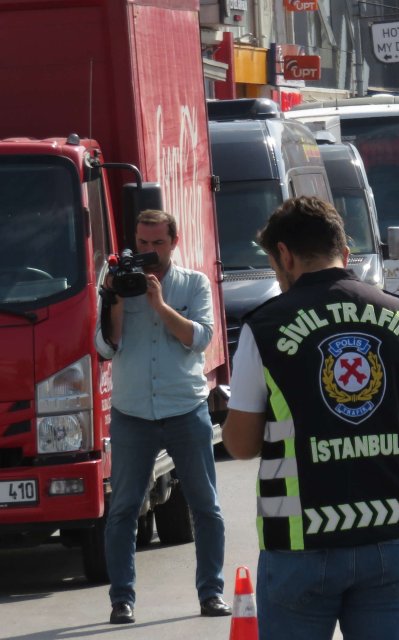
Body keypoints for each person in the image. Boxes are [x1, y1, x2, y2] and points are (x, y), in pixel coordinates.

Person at [222, 196, 399, 640]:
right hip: (392, 531)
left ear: (285, 254)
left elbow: (241, 445)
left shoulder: (264, 327)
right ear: (341, 249)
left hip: (302, 543)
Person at [95, 209, 228, 625]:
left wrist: (159, 304)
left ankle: (212, 593)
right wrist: (114, 300)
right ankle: (122, 601)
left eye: (157, 244)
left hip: (183, 408)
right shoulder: (118, 282)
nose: (148, 252)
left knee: (206, 507)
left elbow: (199, 338)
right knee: (122, 510)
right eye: (142, 243)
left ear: (174, 242)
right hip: (132, 412)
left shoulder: (194, 283)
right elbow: (104, 347)